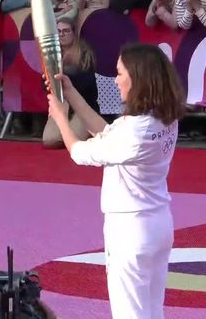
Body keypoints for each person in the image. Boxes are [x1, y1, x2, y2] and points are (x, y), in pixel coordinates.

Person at [46, 43, 185, 318]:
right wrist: (72, 95)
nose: (116, 80)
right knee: (152, 309)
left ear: (138, 78)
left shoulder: (136, 131)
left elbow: (79, 152)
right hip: (157, 223)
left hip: (130, 229)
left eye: (120, 73)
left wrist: (60, 118)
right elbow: (106, 133)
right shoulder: (161, 117)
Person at [43, 18, 98, 148]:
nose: (62, 34)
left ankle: (89, 129)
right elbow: (46, 86)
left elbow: (88, 84)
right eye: (59, 31)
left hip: (83, 104)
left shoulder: (85, 53)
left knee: (75, 140)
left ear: (74, 33)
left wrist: (66, 76)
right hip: (62, 103)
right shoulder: (52, 55)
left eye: (66, 31)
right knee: (50, 141)